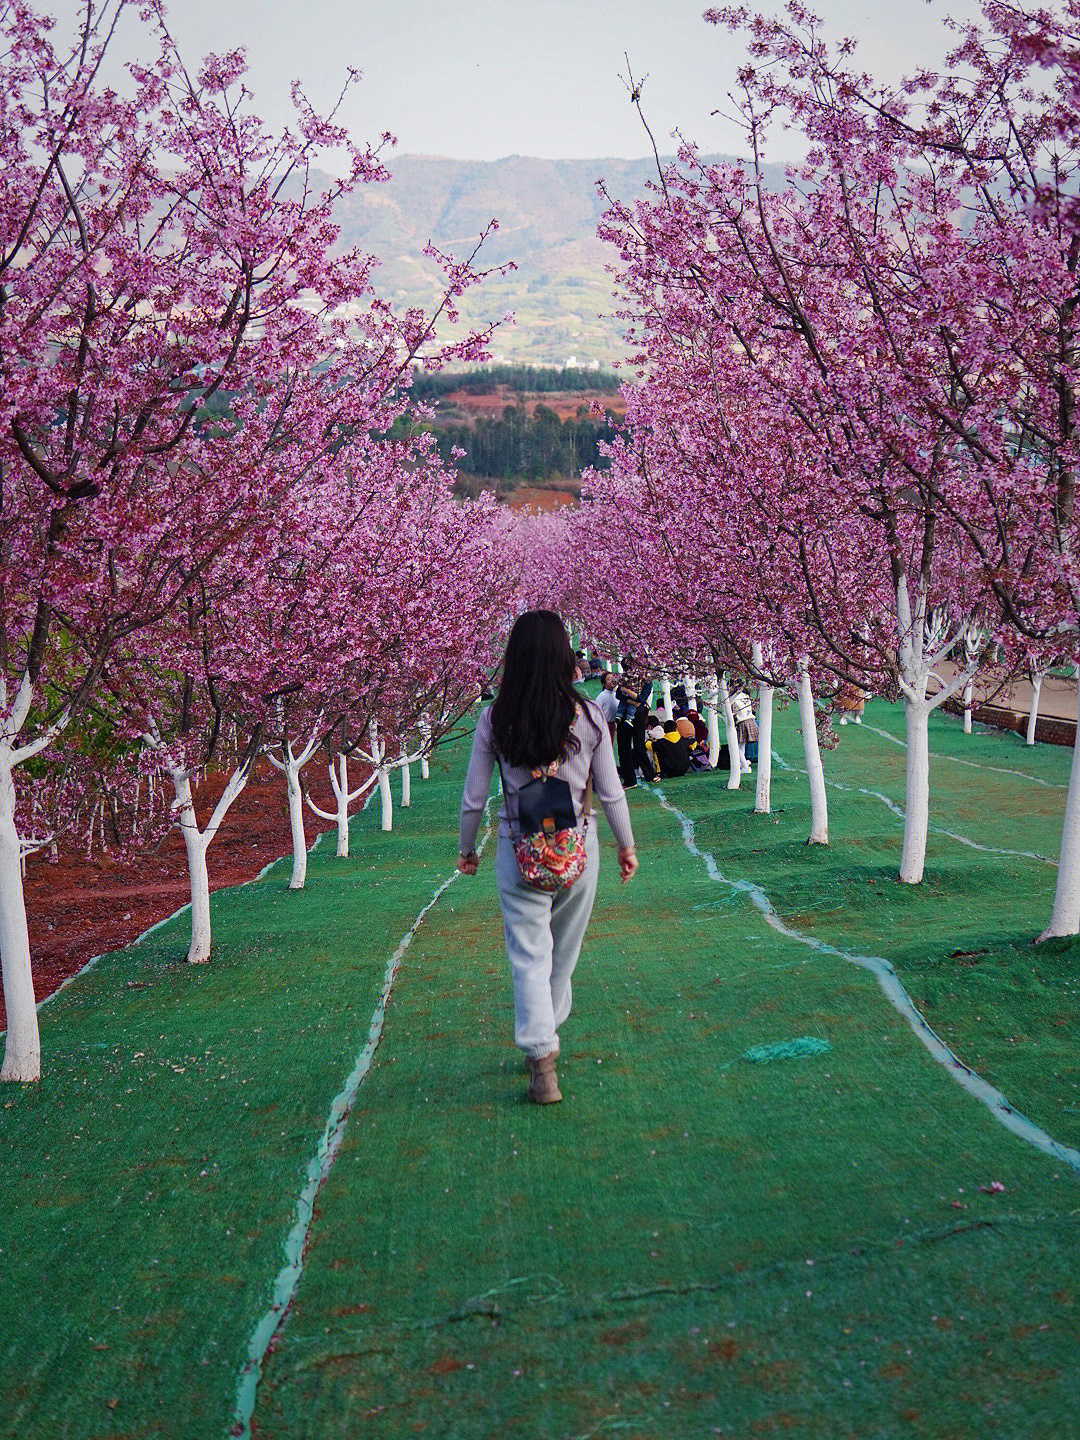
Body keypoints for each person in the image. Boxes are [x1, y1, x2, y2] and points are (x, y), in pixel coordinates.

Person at [457, 610, 638, 1105]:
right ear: (566, 658)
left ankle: (542, 1059)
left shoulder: (495, 718)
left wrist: (467, 849)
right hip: (579, 848)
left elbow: (474, 798)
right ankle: (545, 1039)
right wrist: (627, 844)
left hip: (518, 850)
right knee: (562, 953)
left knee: (528, 953)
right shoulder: (589, 716)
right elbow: (611, 790)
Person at [615, 657, 657, 787]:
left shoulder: (647, 682)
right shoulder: (624, 680)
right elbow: (618, 695)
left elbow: (641, 699)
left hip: (638, 716)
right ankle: (629, 780)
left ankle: (650, 774)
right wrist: (633, 701)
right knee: (623, 747)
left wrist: (627, 692)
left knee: (639, 746)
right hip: (625, 716)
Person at [596, 670, 619, 742]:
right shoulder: (601, 696)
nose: (612, 680)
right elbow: (597, 712)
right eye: (609, 679)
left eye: (613, 678)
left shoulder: (617, 695)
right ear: (604, 684)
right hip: (604, 725)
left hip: (613, 725)